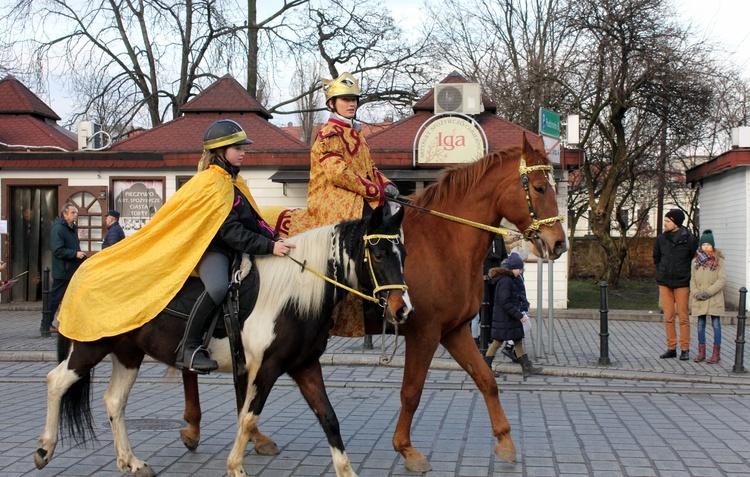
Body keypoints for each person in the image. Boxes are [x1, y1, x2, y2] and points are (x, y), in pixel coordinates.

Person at [57, 119, 294, 374]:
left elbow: (253, 220)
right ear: (220, 152)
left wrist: (275, 237)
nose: (243, 152)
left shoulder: (234, 182)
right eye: (237, 148)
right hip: (213, 250)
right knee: (216, 288)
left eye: (243, 147)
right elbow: (230, 231)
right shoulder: (211, 183)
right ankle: (189, 348)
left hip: (236, 250)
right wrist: (268, 247)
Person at [281, 72, 398, 336]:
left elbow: (370, 168)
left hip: (355, 194)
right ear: (332, 104)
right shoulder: (329, 134)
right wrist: (373, 190)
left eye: (354, 99)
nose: (351, 103)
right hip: (331, 198)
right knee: (372, 220)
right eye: (345, 99)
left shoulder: (357, 134)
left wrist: (386, 183)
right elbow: (338, 173)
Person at [483, 254, 542, 377]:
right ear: (512, 269)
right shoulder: (506, 281)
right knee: (497, 342)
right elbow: (504, 301)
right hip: (505, 317)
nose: (520, 271)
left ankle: (526, 367)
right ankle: (485, 368)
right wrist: (518, 315)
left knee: (517, 340)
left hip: (507, 317)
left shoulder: (507, 279)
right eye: (519, 269)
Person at [654, 208, 698, 360]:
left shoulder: (690, 240)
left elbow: (693, 259)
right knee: (669, 317)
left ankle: (685, 348)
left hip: (682, 283)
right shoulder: (661, 239)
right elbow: (657, 258)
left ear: (676, 222)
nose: (665, 223)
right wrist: (661, 272)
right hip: (665, 282)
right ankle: (671, 347)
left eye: (667, 221)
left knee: (683, 317)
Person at [42, 203, 87, 337]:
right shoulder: (58, 228)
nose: (76, 215)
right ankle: (45, 325)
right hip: (63, 270)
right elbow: (58, 250)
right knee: (55, 298)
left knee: (74, 298)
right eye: (73, 213)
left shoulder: (71, 227)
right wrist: (75, 254)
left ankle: (72, 324)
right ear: (65, 214)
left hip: (72, 269)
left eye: (76, 212)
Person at [690, 230, 725, 364]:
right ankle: (701, 352)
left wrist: (708, 292)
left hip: (714, 298)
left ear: (713, 246)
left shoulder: (718, 261)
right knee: (700, 325)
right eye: (703, 244)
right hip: (699, 299)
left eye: (708, 244)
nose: (706, 247)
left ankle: (716, 354)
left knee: (716, 325)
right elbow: (692, 279)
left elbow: (721, 279)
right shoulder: (695, 261)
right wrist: (696, 293)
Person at [473, 234, 509, 346]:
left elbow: (502, 255)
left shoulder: (498, 236)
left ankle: (489, 335)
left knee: (492, 306)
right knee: (480, 308)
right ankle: (476, 336)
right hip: (481, 276)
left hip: (494, 277)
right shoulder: (481, 235)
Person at [501, 253, 530, 363]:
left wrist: (525, 302)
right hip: (515, 307)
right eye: (524, 261)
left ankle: (523, 362)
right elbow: (516, 293)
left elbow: (521, 291)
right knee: (523, 327)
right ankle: (509, 348)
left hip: (518, 305)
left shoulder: (517, 273)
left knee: (519, 331)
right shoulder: (511, 276)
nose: (524, 264)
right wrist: (522, 306)